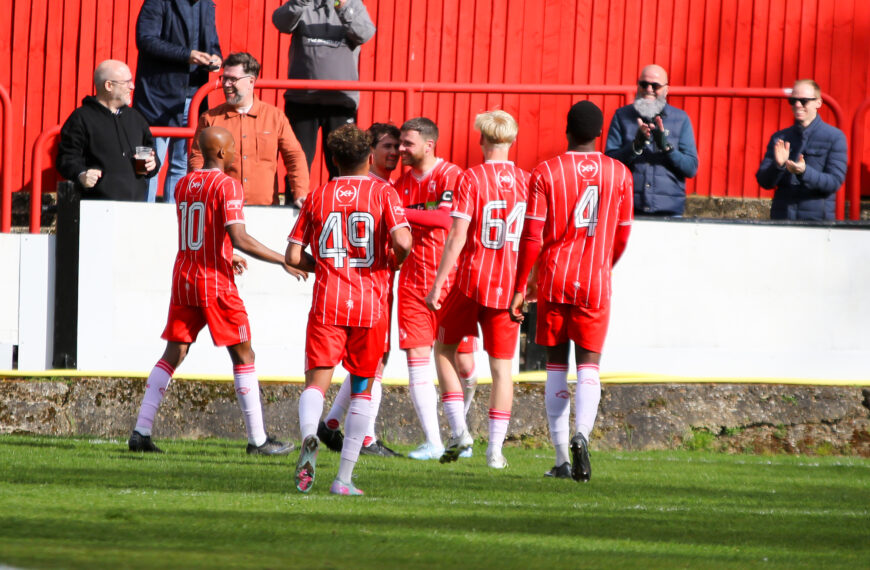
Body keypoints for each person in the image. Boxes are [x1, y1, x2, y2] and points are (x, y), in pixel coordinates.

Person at [128, 126, 304, 455]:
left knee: (174, 353)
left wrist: (226, 253)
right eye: (234, 147)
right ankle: (258, 440)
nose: (236, 151)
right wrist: (283, 260)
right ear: (222, 153)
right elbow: (239, 236)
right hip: (214, 281)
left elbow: (200, 230)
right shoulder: (228, 185)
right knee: (244, 355)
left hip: (184, 276)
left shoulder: (183, 183)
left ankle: (141, 431)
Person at [285, 124, 412, 496]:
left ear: (333, 159)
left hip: (328, 300)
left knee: (316, 383)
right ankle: (343, 479)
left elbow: (293, 256)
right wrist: (394, 259)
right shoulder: (383, 192)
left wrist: (321, 264)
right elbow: (403, 240)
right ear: (369, 157)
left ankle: (310, 435)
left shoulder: (318, 196)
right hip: (370, 303)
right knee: (362, 390)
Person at [510, 101, 633, 482]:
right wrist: (602, 266)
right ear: (599, 134)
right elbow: (623, 233)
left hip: (554, 279)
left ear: (567, 130)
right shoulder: (620, 173)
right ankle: (583, 435)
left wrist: (521, 284)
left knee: (556, 366)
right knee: (590, 367)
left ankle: (563, 458)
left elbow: (532, 235)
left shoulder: (546, 171)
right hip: (595, 281)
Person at [425, 110, 530, 469]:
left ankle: (459, 432)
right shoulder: (527, 180)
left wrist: (439, 283)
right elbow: (536, 237)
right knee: (503, 370)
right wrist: (529, 284)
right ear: (512, 140)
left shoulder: (471, 178)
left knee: (442, 349)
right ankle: (495, 451)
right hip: (509, 287)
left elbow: (458, 234)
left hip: (471, 281)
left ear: (482, 139)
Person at [394, 117, 479, 461]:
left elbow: (445, 220)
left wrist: (399, 212)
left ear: (429, 145)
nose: (401, 150)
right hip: (413, 282)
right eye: (399, 143)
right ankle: (436, 441)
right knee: (417, 358)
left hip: (453, 280)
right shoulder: (400, 185)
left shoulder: (452, 176)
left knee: (464, 363)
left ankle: (461, 430)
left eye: (407, 144)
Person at [317, 123, 403, 458]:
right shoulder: (374, 189)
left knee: (375, 358)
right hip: (365, 286)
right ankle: (364, 438)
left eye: (399, 146)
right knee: (372, 360)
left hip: (373, 285)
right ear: (369, 152)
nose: (395, 152)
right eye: (388, 146)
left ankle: (332, 423)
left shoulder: (384, 186)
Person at [271, 0, 376, 180]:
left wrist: (342, 6)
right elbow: (280, 22)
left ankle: (342, 205)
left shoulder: (352, 3)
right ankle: (294, 204)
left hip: (340, 101)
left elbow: (365, 34)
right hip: (302, 99)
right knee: (298, 161)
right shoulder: (304, 4)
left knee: (343, 161)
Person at [188, 52, 310, 207]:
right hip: (222, 208)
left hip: (265, 209)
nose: (226, 84)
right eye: (224, 78)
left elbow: (295, 157)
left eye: (233, 79)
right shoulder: (210, 118)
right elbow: (197, 160)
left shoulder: (275, 117)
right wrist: (200, 193)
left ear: (251, 81)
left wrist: (300, 193)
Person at [134, 0, 222, 203]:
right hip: (156, 98)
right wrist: (187, 56)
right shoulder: (158, 3)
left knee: (182, 164)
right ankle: (142, 217)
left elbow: (212, 44)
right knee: (148, 163)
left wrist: (216, 58)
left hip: (194, 97)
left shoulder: (207, 5)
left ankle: (174, 221)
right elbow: (145, 40)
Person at [56, 60, 159, 201]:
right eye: (126, 82)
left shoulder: (136, 118)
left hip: (135, 207)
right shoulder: (81, 118)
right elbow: (66, 158)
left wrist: (152, 164)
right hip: (97, 207)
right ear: (108, 85)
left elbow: (150, 151)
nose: (132, 86)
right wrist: (81, 174)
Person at [604, 64, 698, 217]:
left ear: (666, 89)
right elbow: (609, 165)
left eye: (655, 85)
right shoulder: (622, 117)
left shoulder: (681, 119)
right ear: (638, 85)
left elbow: (691, 168)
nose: (649, 89)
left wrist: (667, 148)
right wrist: (634, 147)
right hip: (629, 210)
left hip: (669, 212)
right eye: (644, 84)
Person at [755, 79, 848, 221]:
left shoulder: (835, 137)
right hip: (782, 221)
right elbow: (764, 181)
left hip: (817, 224)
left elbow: (834, 182)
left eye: (804, 101)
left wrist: (804, 172)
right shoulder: (779, 138)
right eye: (793, 101)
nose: (798, 105)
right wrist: (778, 166)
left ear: (818, 103)